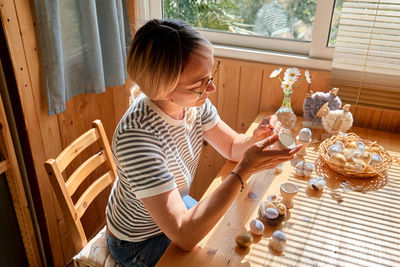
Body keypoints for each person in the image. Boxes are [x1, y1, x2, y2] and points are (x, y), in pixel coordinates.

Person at [105, 18, 302, 267]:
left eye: (210, 75)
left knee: (228, 236)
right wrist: (244, 170)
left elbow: (231, 146)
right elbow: (185, 236)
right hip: (138, 241)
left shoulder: (193, 104)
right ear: (164, 90)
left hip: (174, 212)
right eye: (200, 84)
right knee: (220, 255)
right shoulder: (137, 138)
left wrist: (254, 139)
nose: (212, 88)